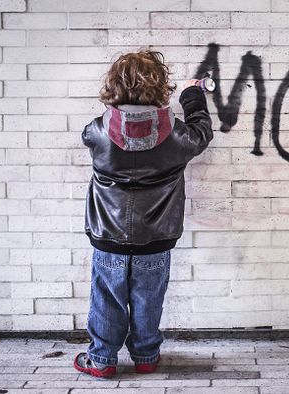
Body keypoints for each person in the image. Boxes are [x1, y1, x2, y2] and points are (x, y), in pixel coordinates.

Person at [73, 49, 213, 378]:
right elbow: (202, 132)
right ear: (160, 84)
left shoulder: (96, 132)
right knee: (149, 298)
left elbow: (99, 133)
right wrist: (192, 94)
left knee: (106, 300)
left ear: (114, 85)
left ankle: (103, 360)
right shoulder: (179, 137)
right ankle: (147, 356)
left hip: (109, 235)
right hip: (157, 237)